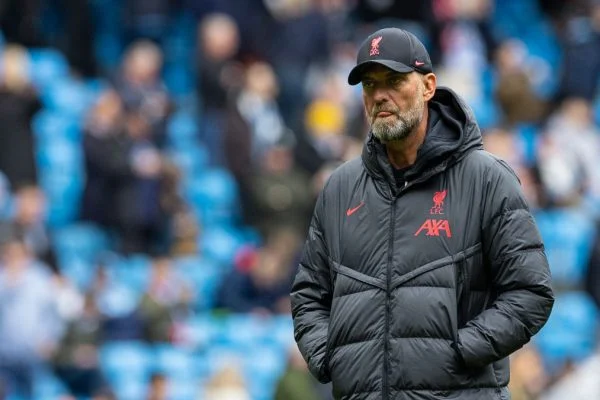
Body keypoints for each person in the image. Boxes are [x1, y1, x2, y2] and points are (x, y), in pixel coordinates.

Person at [290, 27, 555, 400]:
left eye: (394, 81)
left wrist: (458, 353)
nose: (380, 95)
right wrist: (330, 357)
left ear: (429, 86)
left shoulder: (486, 178)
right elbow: (308, 295)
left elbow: (530, 292)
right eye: (370, 84)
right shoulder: (339, 188)